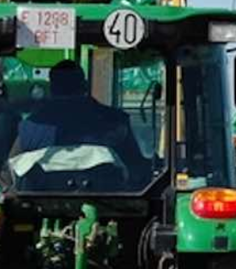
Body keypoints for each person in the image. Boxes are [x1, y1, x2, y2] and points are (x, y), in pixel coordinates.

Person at [9, 60, 147, 189]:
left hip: (39, 209)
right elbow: (136, 167)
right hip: (110, 206)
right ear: (85, 85)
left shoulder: (29, 127)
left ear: (52, 88)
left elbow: (13, 168)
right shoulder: (115, 121)